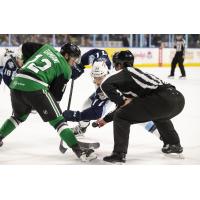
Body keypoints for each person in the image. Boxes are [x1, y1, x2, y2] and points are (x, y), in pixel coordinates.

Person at [0, 42, 96, 162]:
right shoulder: (66, 69)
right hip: (35, 86)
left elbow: (26, 46)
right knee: (59, 121)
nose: (74, 63)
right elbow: (56, 98)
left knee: (17, 117)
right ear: (66, 55)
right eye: (73, 59)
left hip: (16, 83)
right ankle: (80, 151)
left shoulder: (47, 48)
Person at [96, 50, 185, 163]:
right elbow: (127, 106)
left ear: (118, 64)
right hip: (178, 100)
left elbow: (105, 84)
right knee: (158, 115)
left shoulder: (125, 73)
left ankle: (119, 154)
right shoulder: (137, 76)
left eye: (115, 65)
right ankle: (174, 144)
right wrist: (106, 119)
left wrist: (120, 101)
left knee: (121, 116)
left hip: (162, 100)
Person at [63, 52, 160, 139]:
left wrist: (75, 116)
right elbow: (98, 52)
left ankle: (160, 135)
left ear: (106, 74)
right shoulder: (103, 63)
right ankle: (81, 128)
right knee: (86, 106)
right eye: (95, 77)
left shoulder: (105, 88)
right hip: (114, 89)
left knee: (136, 113)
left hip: (121, 93)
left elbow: (97, 112)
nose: (96, 81)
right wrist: (80, 66)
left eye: (100, 78)